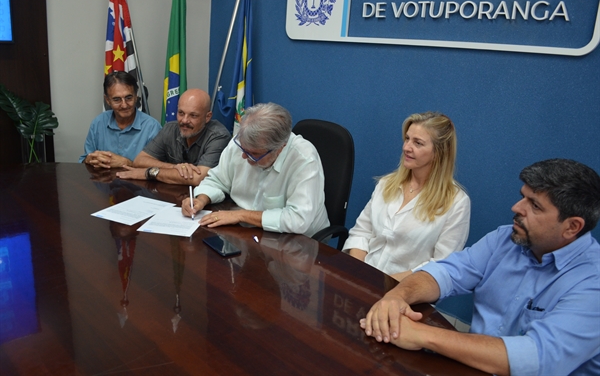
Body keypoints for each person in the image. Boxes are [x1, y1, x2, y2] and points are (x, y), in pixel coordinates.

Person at [360, 158, 600, 376]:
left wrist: (421, 335)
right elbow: (447, 273)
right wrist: (397, 296)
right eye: (523, 196)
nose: (517, 208)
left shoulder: (593, 283)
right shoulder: (505, 239)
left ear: (572, 227)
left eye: (535, 206)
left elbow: (537, 358)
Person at [342, 112, 470, 281]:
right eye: (407, 139)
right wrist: (359, 273)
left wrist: (382, 283)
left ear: (439, 152)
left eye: (418, 143)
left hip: (404, 292)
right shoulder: (387, 184)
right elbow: (361, 232)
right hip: (362, 277)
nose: (406, 147)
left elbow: (441, 265)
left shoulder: (456, 203)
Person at [181, 102, 329, 237]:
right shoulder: (240, 143)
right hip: (247, 231)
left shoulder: (304, 159)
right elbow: (218, 180)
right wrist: (200, 200)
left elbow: (298, 220)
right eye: (243, 149)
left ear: (280, 147)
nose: (244, 156)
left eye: (254, 154)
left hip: (298, 242)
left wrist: (241, 215)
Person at [116, 88, 230, 185]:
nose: (184, 120)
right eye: (181, 113)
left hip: (205, 203)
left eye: (193, 115)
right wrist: (175, 167)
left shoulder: (219, 136)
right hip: (173, 197)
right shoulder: (170, 129)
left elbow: (197, 178)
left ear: (207, 117)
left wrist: (149, 172)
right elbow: (139, 160)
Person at [79, 71, 161, 168]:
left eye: (128, 98)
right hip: (104, 182)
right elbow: (84, 162)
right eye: (117, 100)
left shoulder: (152, 127)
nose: (124, 105)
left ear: (136, 96)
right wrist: (89, 160)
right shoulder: (98, 123)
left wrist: (127, 163)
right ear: (108, 100)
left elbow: (158, 171)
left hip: (139, 183)